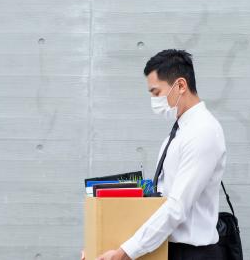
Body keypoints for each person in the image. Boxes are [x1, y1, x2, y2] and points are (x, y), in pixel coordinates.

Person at [83, 49, 227, 260]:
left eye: (156, 92)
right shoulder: (180, 132)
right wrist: (101, 244)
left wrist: (124, 252)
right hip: (167, 250)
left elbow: (176, 207)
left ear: (180, 85)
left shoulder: (202, 132)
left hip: (193, 254)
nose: (153, 99)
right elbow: (158, 199)